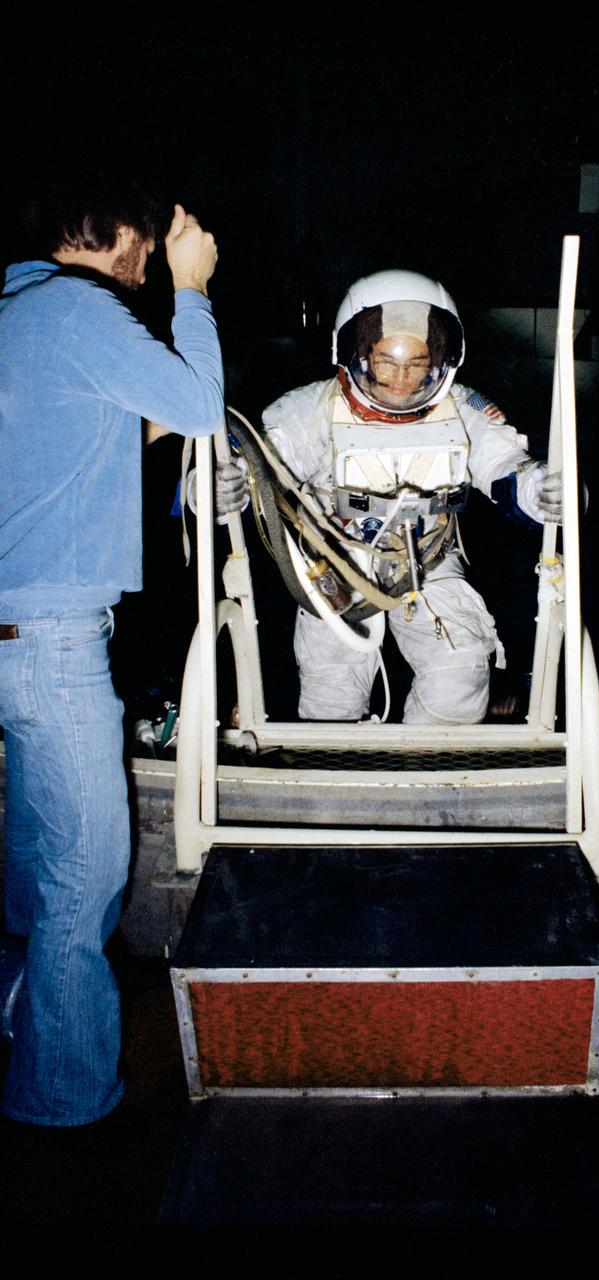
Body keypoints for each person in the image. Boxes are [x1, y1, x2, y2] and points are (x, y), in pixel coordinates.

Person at [0, 178, 225, 1128]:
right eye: (150, 245)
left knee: (25, 864)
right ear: (125, 234)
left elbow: (65, 441)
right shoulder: (81, 310)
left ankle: (20, 1017)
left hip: (13, 628)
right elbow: (202, 407)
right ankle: (62, 1102)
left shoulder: (18, 309)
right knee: (80, 882)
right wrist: (192, 288)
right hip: (48, 644)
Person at [261, 269, 560, 723]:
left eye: (417, 362)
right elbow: (255, 469)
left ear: (440, 358)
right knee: (331, 697)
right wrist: (219, 488)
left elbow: (505, 468)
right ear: (358, 354)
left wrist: (541, 488)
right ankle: (340, 762)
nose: (402, 378)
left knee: (461, 673)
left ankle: (427, 760)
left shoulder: (462, 408)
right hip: (337, 563)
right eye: (387, 361)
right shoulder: (311, 410)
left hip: (430, 560)